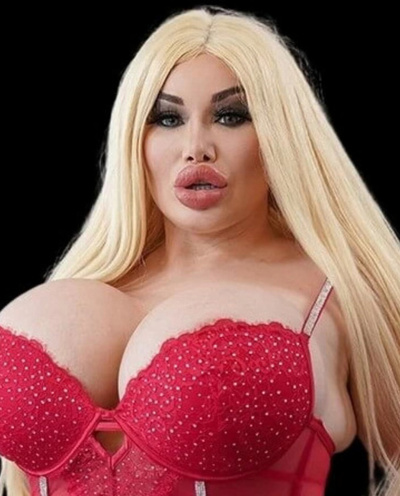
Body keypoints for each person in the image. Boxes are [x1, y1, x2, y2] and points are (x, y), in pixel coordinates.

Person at [0, 5, 399, 496]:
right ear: (135, 139)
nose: (196, 147)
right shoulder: (97, 279)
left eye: (231, 116)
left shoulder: (345, 292)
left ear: (281, 135)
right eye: (167, 118)